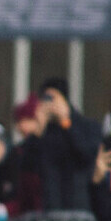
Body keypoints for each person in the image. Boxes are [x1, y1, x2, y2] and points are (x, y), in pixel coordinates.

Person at [29, 77, 102, 213]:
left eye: (53, 98)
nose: (49, 104)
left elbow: (85, 155)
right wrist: (38, 129)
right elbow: (29, 166)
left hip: (80, 206)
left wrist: (66, 122)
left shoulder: (87, 126)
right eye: (45, 99)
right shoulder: (45, 132)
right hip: (51, 208)